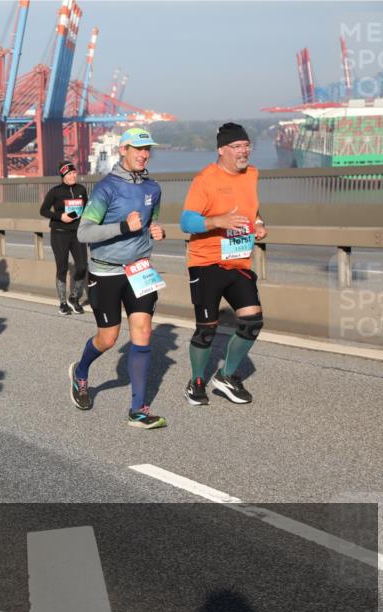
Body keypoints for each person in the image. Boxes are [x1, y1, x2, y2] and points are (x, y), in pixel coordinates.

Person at [71, 128, 168, 429]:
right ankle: (80, 371)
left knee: (143, 332)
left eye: (147, 149)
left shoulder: (153, 188)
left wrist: (158, 231)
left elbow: (151, 221)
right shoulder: (106, 188)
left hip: (139, 269)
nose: (143, 154)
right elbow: (83, 232)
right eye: (138, 149)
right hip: (105, 271)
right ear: (123, 150)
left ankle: (138, 409)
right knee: (108, 338)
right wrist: (122, 228)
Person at [180, 123, 268, 406]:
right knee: (207, 328)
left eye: (246, 145)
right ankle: (196, 382)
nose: (244, 151)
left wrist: (258, 222)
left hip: (238, 261)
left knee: (253, 321)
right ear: (221, 150)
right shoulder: (205, 179)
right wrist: (217, 221)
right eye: (237, 147)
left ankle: (227, 375)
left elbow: (251, 207)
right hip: (205, 262)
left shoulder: (252, 174)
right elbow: (186, 222)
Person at [39, 161, 89, 314]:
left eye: (74, 173)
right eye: (69, 174)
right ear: (63, 176)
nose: (73, 176)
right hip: (59, 233)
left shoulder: (81, 189)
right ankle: (62, 303)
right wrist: (60, 216)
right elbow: (44, 210)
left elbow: (87, 209)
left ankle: (74, 298)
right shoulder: (55, 192)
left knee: (82, 267)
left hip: (78, 233)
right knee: (62, 268)